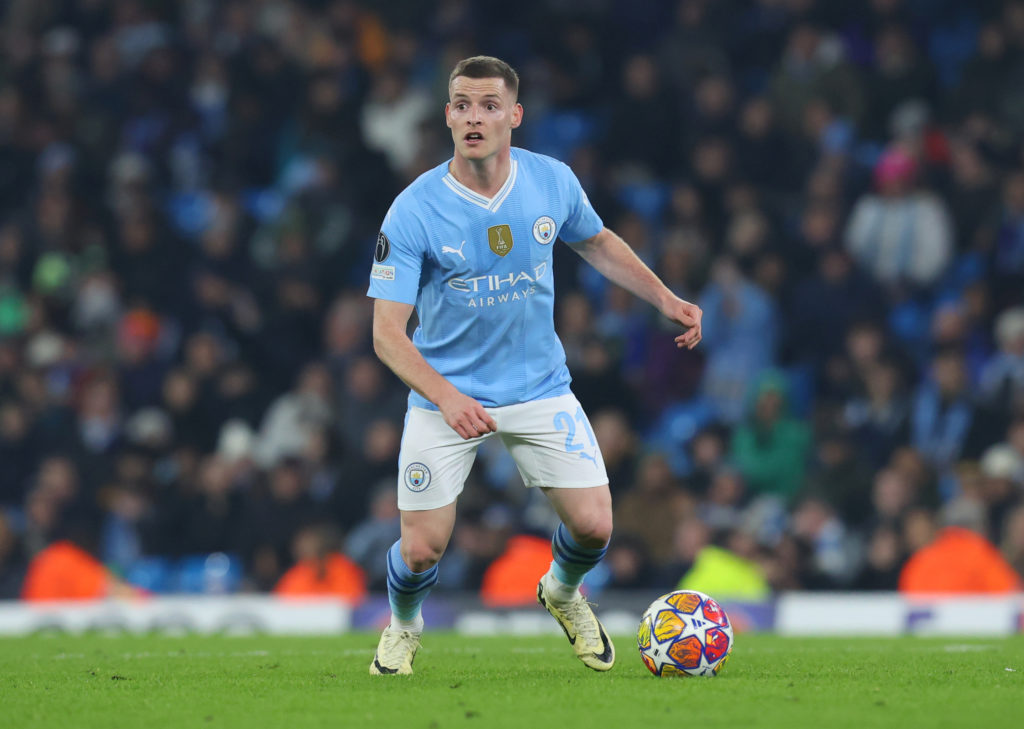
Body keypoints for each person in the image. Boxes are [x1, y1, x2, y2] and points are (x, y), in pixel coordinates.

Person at [365, 56, 702, 675]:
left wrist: (665, 298)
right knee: (419, 552)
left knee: (596, 528)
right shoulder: (413, 210)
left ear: (514, 116)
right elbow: (388, 335)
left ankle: (563, 593)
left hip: (540, 386)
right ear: (447, 116)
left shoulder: (551, 182)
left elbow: (596, 241)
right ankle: (404, 627)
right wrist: (445, 397)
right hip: (447, 393)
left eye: (489, 105)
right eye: (462, 104)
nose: (475, 117)